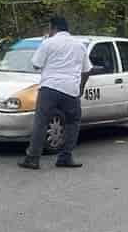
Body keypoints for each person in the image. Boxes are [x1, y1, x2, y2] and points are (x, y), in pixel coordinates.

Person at [19, 16, 92, 170]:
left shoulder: (48, 43)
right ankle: (65, 157)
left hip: (49, 88)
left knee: (41, 122)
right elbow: (87, 70)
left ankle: (33, 158)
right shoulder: (79, 46)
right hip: (71, 89)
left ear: (53, 28)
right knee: (73, 122)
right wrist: (81, 87)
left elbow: (36, 65)